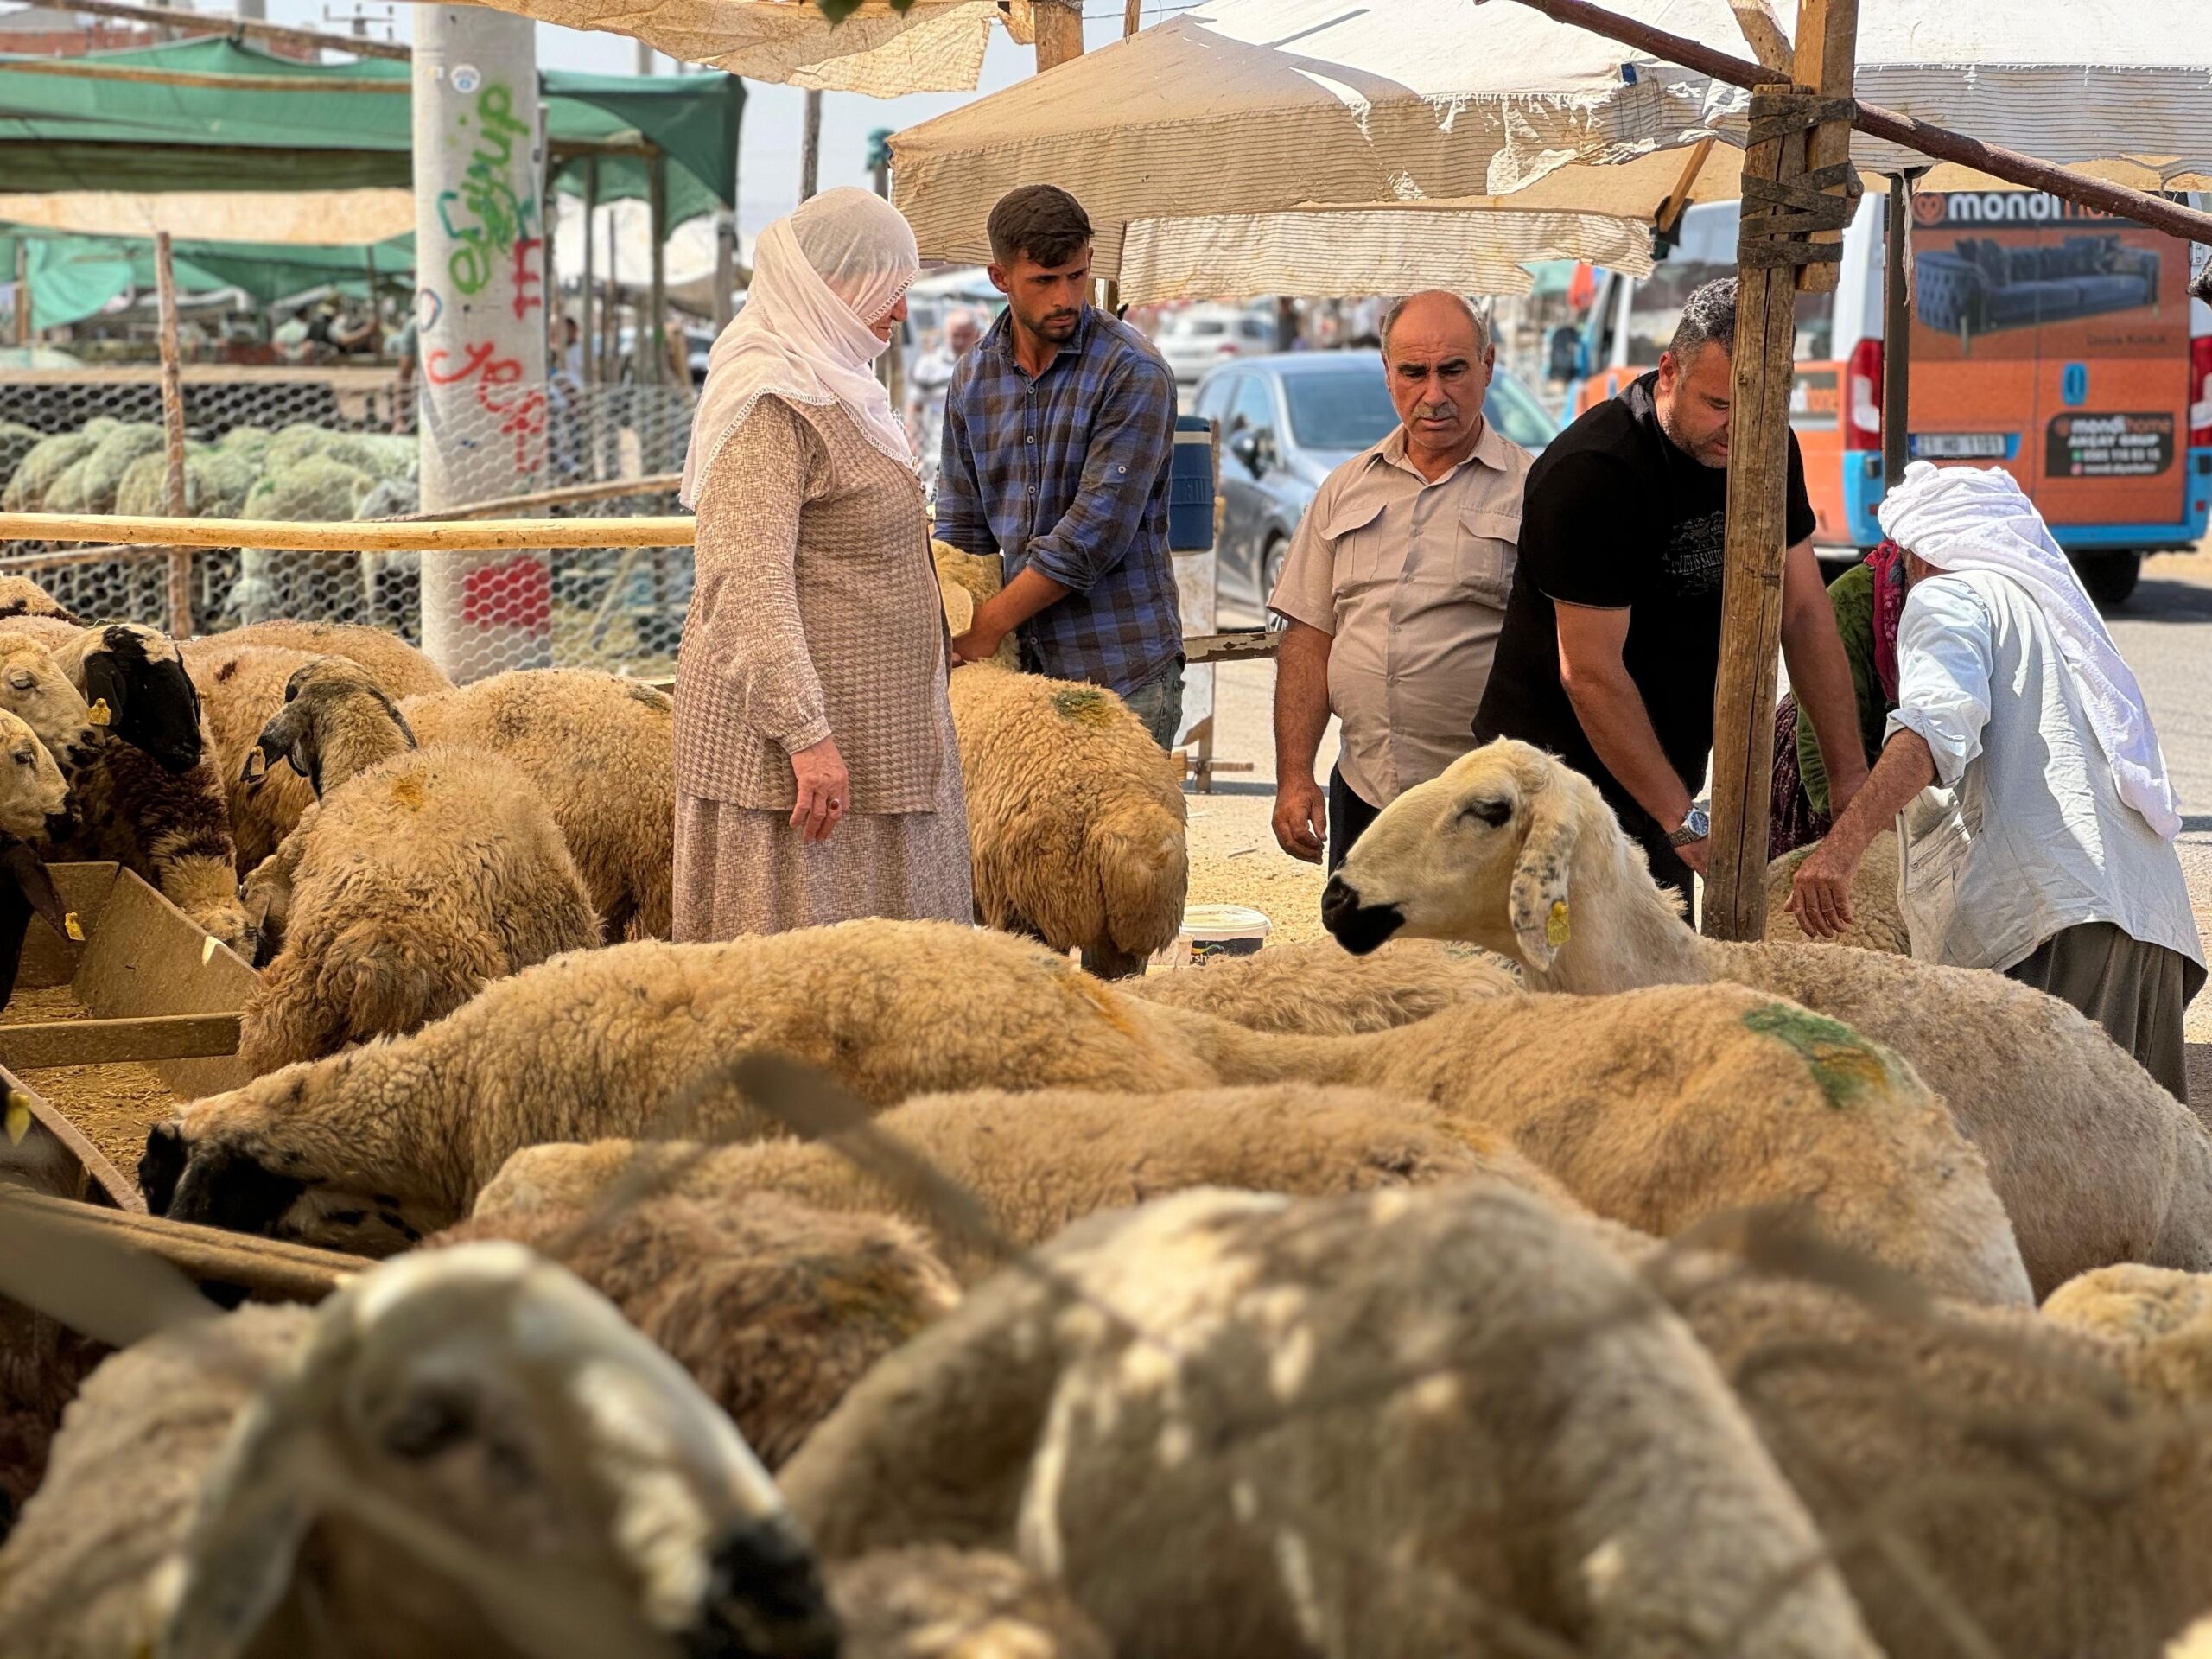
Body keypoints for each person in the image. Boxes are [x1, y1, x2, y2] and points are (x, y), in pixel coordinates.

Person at [1789, 461, 2205, 1100]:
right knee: (2130, 1183)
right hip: (2153, 933)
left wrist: (1839, 850)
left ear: (1916, 551)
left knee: (2030, 1169)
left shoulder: (1947, 596)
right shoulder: (2055, 614)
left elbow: (1931, 727)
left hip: (2056, 927)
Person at [1472, 277, 1868, 906]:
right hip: (1547, 786)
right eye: (1718, 404)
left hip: (1664, 780)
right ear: (1668, 373)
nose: (1740, 430)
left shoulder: (1767, 448)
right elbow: (1591, 674)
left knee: (1661, 989)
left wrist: (1851, 780)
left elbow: (1803, 611)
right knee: (1553, 985)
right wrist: (1681, 818)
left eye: (1762, 407)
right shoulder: (1594, 472)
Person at [671, 186, 971, 942]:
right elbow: (744, 582)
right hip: (796, 768)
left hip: (873, 745)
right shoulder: (772, 402)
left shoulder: (839, 385)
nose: (900, 313)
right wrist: (806, 735)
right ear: (833, 284)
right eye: (890, 290)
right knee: (801, 988)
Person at [1268, 290, 1535, 870]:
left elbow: (1570, 657)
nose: (1434, 395)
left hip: (1484, 804)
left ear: (1487, 366)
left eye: (1454, 370)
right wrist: (1295, 777)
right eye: (1414, 372)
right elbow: (1309, 640)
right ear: (1388, 374)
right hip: (1366, 794)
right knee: (1364, 959)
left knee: (1470, 962)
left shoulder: (1533, 491)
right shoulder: (1344, 489)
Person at [935, 185, 1185, 747]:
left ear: (1090, 262)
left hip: (1121, 671)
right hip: (1018, 678)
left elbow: (1092, 535)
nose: (1065, 297)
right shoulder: (972, 379)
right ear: (1000, 278)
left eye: (1076, 276)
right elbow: (961, 527)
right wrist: (957, 627)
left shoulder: (1133, 372)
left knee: (1126, 837)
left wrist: (988, 626)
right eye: (1044, 281)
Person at [1769, 539, 1908, 858]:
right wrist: (1859, 827)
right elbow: (1823, 755)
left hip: (1890, 764)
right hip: (1827, 749)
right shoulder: (1851, 603)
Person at [905, 306, 978, 494]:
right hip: (937, 456)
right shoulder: (928, 366)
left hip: (977, 460)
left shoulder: (985, 365)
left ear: (976, 334)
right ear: (946, 334)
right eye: (955, 335)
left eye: (966, 335)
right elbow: (914, 411)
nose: (960, 341)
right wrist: (915, 454)